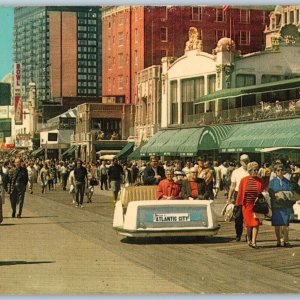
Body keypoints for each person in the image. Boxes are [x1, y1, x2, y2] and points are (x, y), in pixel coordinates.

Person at [236, 162, 265, 249]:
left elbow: (263, 192)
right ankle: (249, 239)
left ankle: (254, 242)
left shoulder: (260, 180)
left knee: (256, 223)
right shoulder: (244, 180)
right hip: (247, 206)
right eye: (254, 170)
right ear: (250, 171)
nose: (256, 171)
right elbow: (240, 193)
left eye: (257, 170)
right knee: (248, 224)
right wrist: (238, 204)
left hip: (257, 205)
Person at [269, 164, 295, 247]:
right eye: (278, 170)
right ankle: (278, 241)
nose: (280, 171)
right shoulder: (272, 182)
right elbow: (270, 193)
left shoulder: (287, 181)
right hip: (276, 205)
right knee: (277, 224)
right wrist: (276, 195)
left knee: (285, 224)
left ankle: (286, 240)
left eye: (281, 170)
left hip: (285, 205)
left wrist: (286, 194)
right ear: (275, 172)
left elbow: (292, 192)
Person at [227, 154, 250, 242]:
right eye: (244, 161)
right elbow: (232, 186)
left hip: (249, 194)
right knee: (238, 217)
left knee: (248, 216)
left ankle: (249, 235)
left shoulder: (252, 171)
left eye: (247, 160)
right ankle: (238, 234)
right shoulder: (236, 172)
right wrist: (229, 198)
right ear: (240, 162)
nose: (246, 163)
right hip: (238, 194)